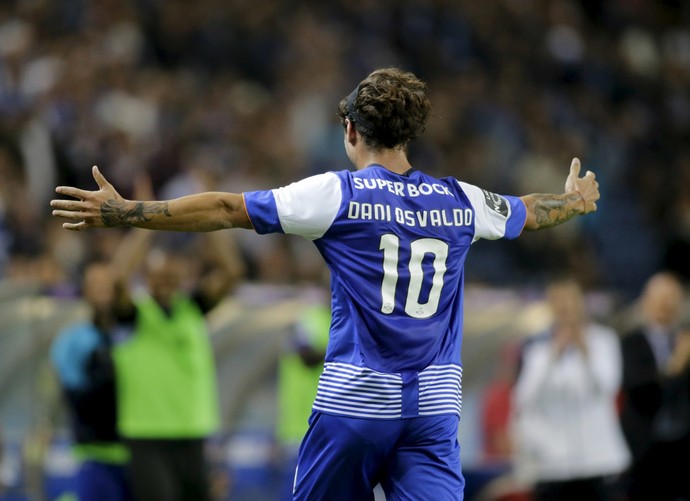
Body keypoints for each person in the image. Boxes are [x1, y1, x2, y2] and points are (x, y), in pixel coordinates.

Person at [51, 67, 600, 500]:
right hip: (433, 410)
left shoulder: (337, 194)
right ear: (410, 135)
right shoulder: (462, 200)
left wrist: (127, 213)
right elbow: (529, 211)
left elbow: (224, 207)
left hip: (355, 404)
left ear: (350, 131)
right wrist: (574, 202)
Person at [105, 225, 243, 501]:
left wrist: (211, 220)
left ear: (182, 277)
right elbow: (118, 279)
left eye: (172, 277)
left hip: (192, 431)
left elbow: (232, 272)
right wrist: (145, 225)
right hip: (147, 435)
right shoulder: (133, 316)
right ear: (146, 278)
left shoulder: (191, 309)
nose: (166, 284)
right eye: (159, 277)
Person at [510, 277, 630, 501]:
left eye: (570, 302)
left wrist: (587, 354)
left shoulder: (604, 340)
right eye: (559, 303)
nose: (566, 309)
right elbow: (525, 398)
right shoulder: (537, 348)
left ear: (580, 304)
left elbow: (608, 387)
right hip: (553, 463)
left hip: (599, 459)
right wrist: (552, 356)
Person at [50, 262, 133, 501]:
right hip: (96, 454)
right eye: (96, 285)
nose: (103, 291)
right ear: (85, 291)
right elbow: (74, 396)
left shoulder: (137, 334)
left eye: (108, 284)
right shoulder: (71, 342)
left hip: (142, 453)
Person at [619, 271, 688, 501]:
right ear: (646, 302)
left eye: (672, 299)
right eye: (661, 299)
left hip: (683, 447)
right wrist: (675, 364)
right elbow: (640, 389)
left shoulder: (685, 339)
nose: (666, 306)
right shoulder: (631, 342)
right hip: (646, 450)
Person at [275, 296, 331, 501]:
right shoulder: (308, 318)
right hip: (300, 431)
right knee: (297, 493)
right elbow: (306, 356)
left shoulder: (349, 322)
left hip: (333, 430)